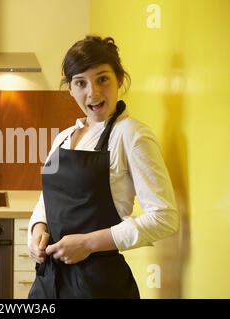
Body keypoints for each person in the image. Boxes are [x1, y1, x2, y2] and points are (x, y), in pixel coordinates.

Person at [27, 35, 179, 299]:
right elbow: (47, 200)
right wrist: (37, 229)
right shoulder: (62, 137)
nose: (93, 93)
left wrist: (87, 243)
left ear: (119, 79)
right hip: (49, 281)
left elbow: (165, 218)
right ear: (71, 88)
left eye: (102, 79)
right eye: (81, 83)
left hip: (99, 286)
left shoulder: (132, 135)